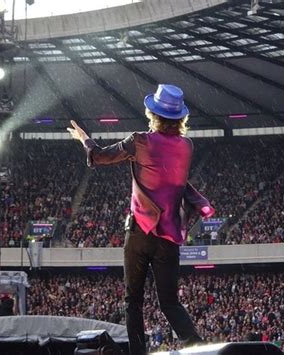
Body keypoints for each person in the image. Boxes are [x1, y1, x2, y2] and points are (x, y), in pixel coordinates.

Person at [67, 84, 214, 355]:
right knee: (170, 303)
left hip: (139, 233)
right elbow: (175, 182)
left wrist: (84, 140)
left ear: (153, 113)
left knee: (132, 301)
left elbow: (100, 156)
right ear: (181, 117)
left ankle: (138, 353)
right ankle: (198, 348)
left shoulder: (141, 140)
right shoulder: (186, 146)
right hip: (169, 238)